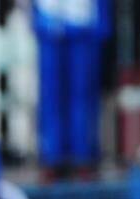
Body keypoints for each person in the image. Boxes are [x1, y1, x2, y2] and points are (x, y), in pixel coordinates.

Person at [33, 0, 111, 179]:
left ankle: (83, 157)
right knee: (51, 96)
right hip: (49, 17)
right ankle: (52, 157)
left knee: (82, 93)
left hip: (84, 19)